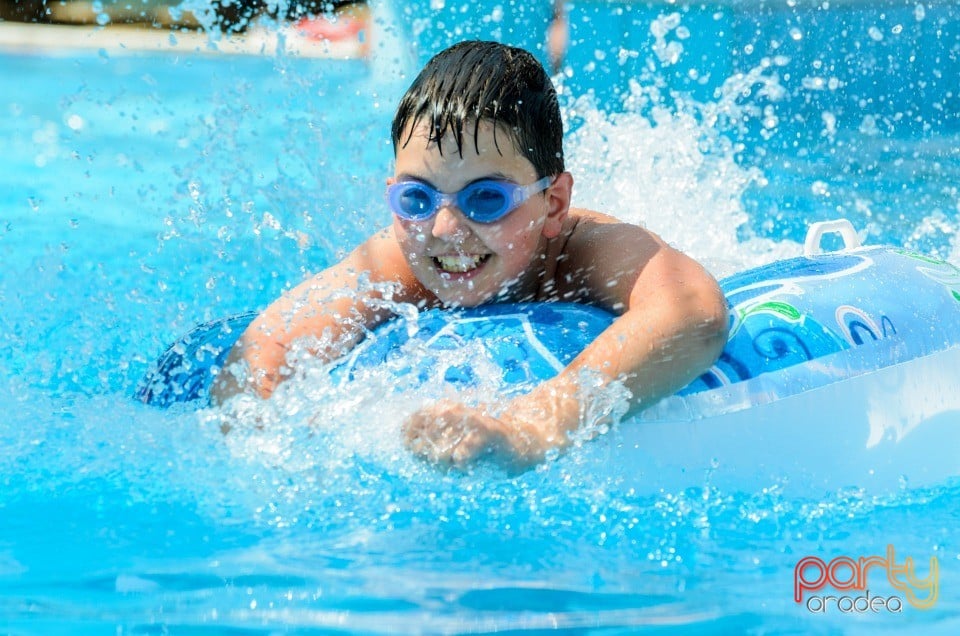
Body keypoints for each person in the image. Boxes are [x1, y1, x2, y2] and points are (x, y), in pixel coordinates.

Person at [212, 40, 728, 470]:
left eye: (486, 199)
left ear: (553, 204)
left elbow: (694, 314)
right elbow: (267, 348)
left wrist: (528, 428)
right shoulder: (396, 261)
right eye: (416, 198)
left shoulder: (586, 249)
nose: (444, 229)